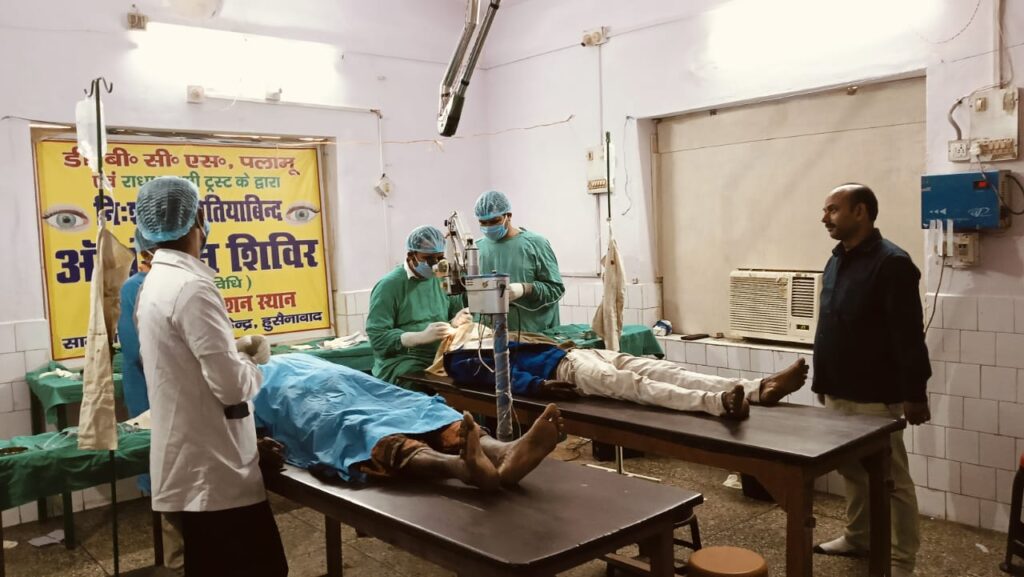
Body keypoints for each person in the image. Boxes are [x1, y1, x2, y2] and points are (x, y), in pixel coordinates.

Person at [134, 176, 288, 577]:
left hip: (194, 459)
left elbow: (186, 360)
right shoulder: (192, 288)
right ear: (198, 219)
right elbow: (232, 387)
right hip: (214, 472)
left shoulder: (156, 283)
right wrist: (252, 362)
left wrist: (231, 350)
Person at [812, 183, 931, 577]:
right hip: (838, 389)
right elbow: (830, 324)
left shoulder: (892, 262)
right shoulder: (837, 259)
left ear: (860, 211)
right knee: (851, 470)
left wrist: (914, 393)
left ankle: (901, 559)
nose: (824, 218)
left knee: (890, 480)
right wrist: (822, 382)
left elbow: (908, 335)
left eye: (833, 209)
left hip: (875, 395)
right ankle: (858, 536)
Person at [253, 354, 563, 490]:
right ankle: (472, 460)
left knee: (412, 410)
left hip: (350, 389)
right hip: (315, 402)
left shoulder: (278, 363)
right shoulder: (247, 381)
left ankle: (496, 454)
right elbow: (246, 430)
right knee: (368, 425)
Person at [443, 335, 808, 420]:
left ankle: (758, 388)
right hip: (566, 372)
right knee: (636, 387)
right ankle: (719, 404)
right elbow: (499, 376)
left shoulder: (483, 334)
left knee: (665, 369)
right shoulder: (458, 358)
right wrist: (536, 385)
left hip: (578, 354)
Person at [366, 225, 471, 385]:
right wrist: (418, 337)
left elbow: (453, 312)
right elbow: (377, 337)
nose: (435, 264)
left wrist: (455, 322)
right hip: (404, 361)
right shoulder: (389, 286)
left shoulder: (441, 279)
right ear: (411, 255)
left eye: (439, 258)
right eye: (428, 258)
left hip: (440, 356)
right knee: (423, 385)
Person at [474, 190, 565, 332]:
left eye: (494, 221)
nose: (489, 226)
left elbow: (556, 290)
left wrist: (526, 289)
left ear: (508, 216)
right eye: (483, 222)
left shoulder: (535, 243)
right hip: (490, 336)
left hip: (533, 335)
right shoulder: (476, 249)